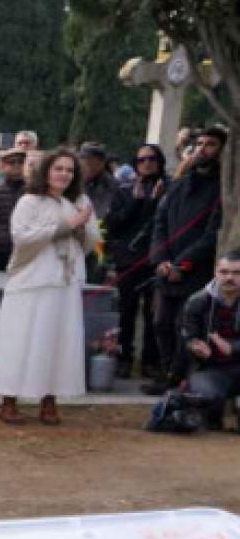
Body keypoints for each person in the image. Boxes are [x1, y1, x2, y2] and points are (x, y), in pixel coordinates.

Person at [0, 148, 98, 425]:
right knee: (22, 339)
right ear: (46, 171)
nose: (64, 174)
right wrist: (66, 225)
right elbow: (22, 237)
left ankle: (50, 399)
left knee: (57, 340)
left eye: (69, 170)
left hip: (64, 281)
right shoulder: (30, 201)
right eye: (58, 168)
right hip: (32, 280)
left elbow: (90, 242)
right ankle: (8, 399)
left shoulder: (79, 201)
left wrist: (81, 229)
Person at [147, 126, 227, 393]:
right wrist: (161, 260)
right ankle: (168, 371)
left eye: (211, 145)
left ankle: (177, 378)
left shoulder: (223, 191)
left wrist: (183, 264)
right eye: (200, 144)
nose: (203, 150)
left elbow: (212, 234)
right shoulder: (179, 184)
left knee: (186, 324)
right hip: (167, 268)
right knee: (160, 322)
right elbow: (159, 224)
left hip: (194, 271)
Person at [103, 143, 167, 378]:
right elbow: (114, 224)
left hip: (157, 259)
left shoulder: (169, 188)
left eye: (152, 158)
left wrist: (158, 201)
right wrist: (136, 201)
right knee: (126, 311)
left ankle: (151, 360)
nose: (147, 163)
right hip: (129, 259)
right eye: (141, 160)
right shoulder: (124, 189)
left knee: (155, 315)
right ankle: (124, 358)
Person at [178, 249, 240, 428]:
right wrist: (196, 348)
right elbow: (186, 339)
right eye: (224, 272)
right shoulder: (197, 302)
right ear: (215, 272)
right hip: (210, 369)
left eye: (236, 273)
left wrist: (231, 347)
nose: (229, 277)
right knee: (207, 398)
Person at [79, 143, 120, 220]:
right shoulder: (75, 179)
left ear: (102, 163)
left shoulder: (109, 184)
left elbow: (100, 214)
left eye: (92, 164)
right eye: (85, 163)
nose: (88, 168)